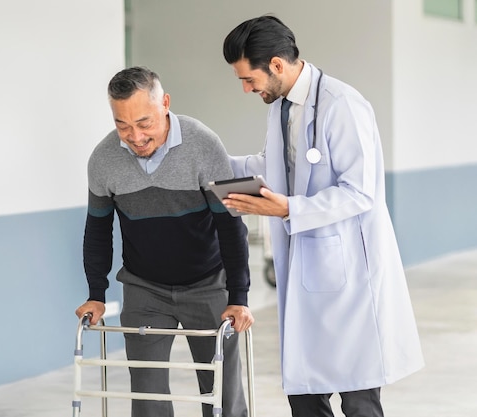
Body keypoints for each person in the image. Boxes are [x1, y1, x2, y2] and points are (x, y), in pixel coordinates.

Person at [220, 15, 424, 417]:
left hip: (350, 274)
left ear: (276, 65)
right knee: (306, 396)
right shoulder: (281, 107)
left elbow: (359, 191)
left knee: (358, 398)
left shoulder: (342, 105)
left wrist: (289, 208)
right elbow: (275, 165)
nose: (246, 89)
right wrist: (213, 164)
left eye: (248, 79)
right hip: (307, 267)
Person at [75, 66, 254, 417]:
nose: (135, 136)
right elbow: (97, 229)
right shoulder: (103, 159)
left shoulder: (205, 143)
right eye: (122, 125)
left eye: (144, 123)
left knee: (223, 392)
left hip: (208, 283)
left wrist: (239, 296)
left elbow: (232, 225)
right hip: (145, 288)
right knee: (147, 395)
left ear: (166, 104)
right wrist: (96, 293)